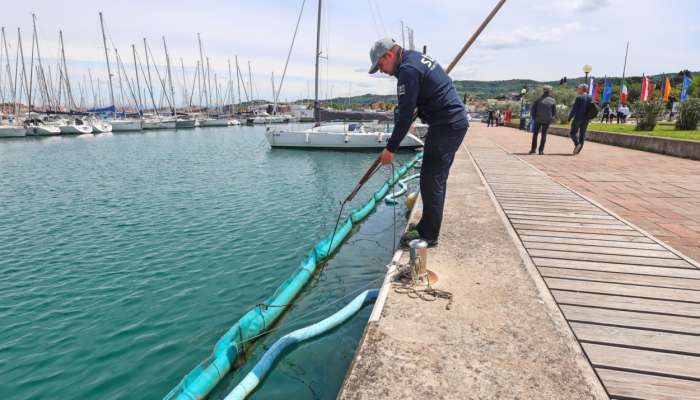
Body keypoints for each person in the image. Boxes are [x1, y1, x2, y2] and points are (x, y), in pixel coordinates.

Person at [368, 38, 468, 247]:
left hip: (447, 124)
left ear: (388, 55)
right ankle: (427, 227)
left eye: (380, 66)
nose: (382, 71)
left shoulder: (408, 70)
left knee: (432, 180)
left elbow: (405, 116)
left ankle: (428, 235)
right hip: (449, 123)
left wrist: (390, 148)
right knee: (433, 179)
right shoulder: (414, 59)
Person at [529, 85, 556, 155]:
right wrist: (551, 118)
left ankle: (533, 149)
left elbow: (533, 110)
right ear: (549, 91)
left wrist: (534, 118)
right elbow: (554, 112)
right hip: (547, 120)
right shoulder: (553, 100)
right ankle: (541, 151)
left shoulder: (538, 99)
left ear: (543, 91)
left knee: (535, 134)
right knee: (544, 135)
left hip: (538, 119)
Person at [568, 83, 593, 155]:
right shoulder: (590, 97)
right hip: (586, 119)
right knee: (582, 134)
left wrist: (569, 118)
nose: (577, 89)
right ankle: (578, 150)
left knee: (572, 133)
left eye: (578, 88)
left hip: (578, 118)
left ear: (582, 89)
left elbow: (574, 109)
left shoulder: (579, 97)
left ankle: (577, 144)